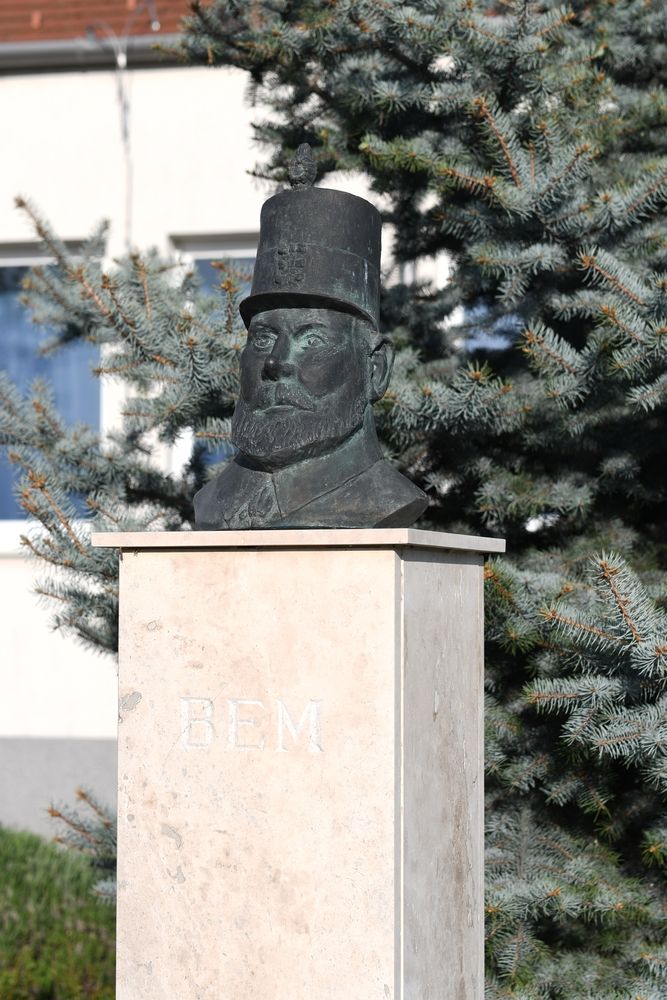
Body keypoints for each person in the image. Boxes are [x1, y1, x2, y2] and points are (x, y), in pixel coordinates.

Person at [193, 147, 427, 530]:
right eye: (264, 338)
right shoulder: (211, 504)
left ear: (376, 368)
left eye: (313, 340)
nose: (278, 362)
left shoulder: (383, 501)